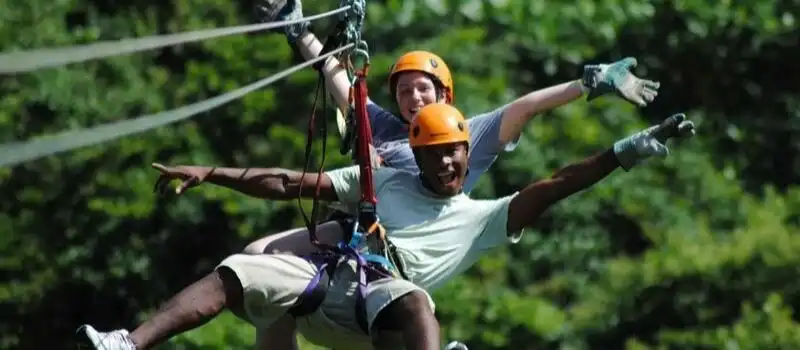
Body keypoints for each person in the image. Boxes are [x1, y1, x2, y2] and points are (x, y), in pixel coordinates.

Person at [80, 103, 696, 350]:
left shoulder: (480, 219)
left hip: (383, 313)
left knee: (413, 300)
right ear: (419, 155)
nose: (451, 162)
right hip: (327, 283)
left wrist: (627, 149)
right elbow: (290, 183)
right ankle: (127, 346)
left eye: (458, 152)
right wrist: (210, 171)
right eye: (438, 154)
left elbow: (557, 184)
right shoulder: (384, 180)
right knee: (238, 272)